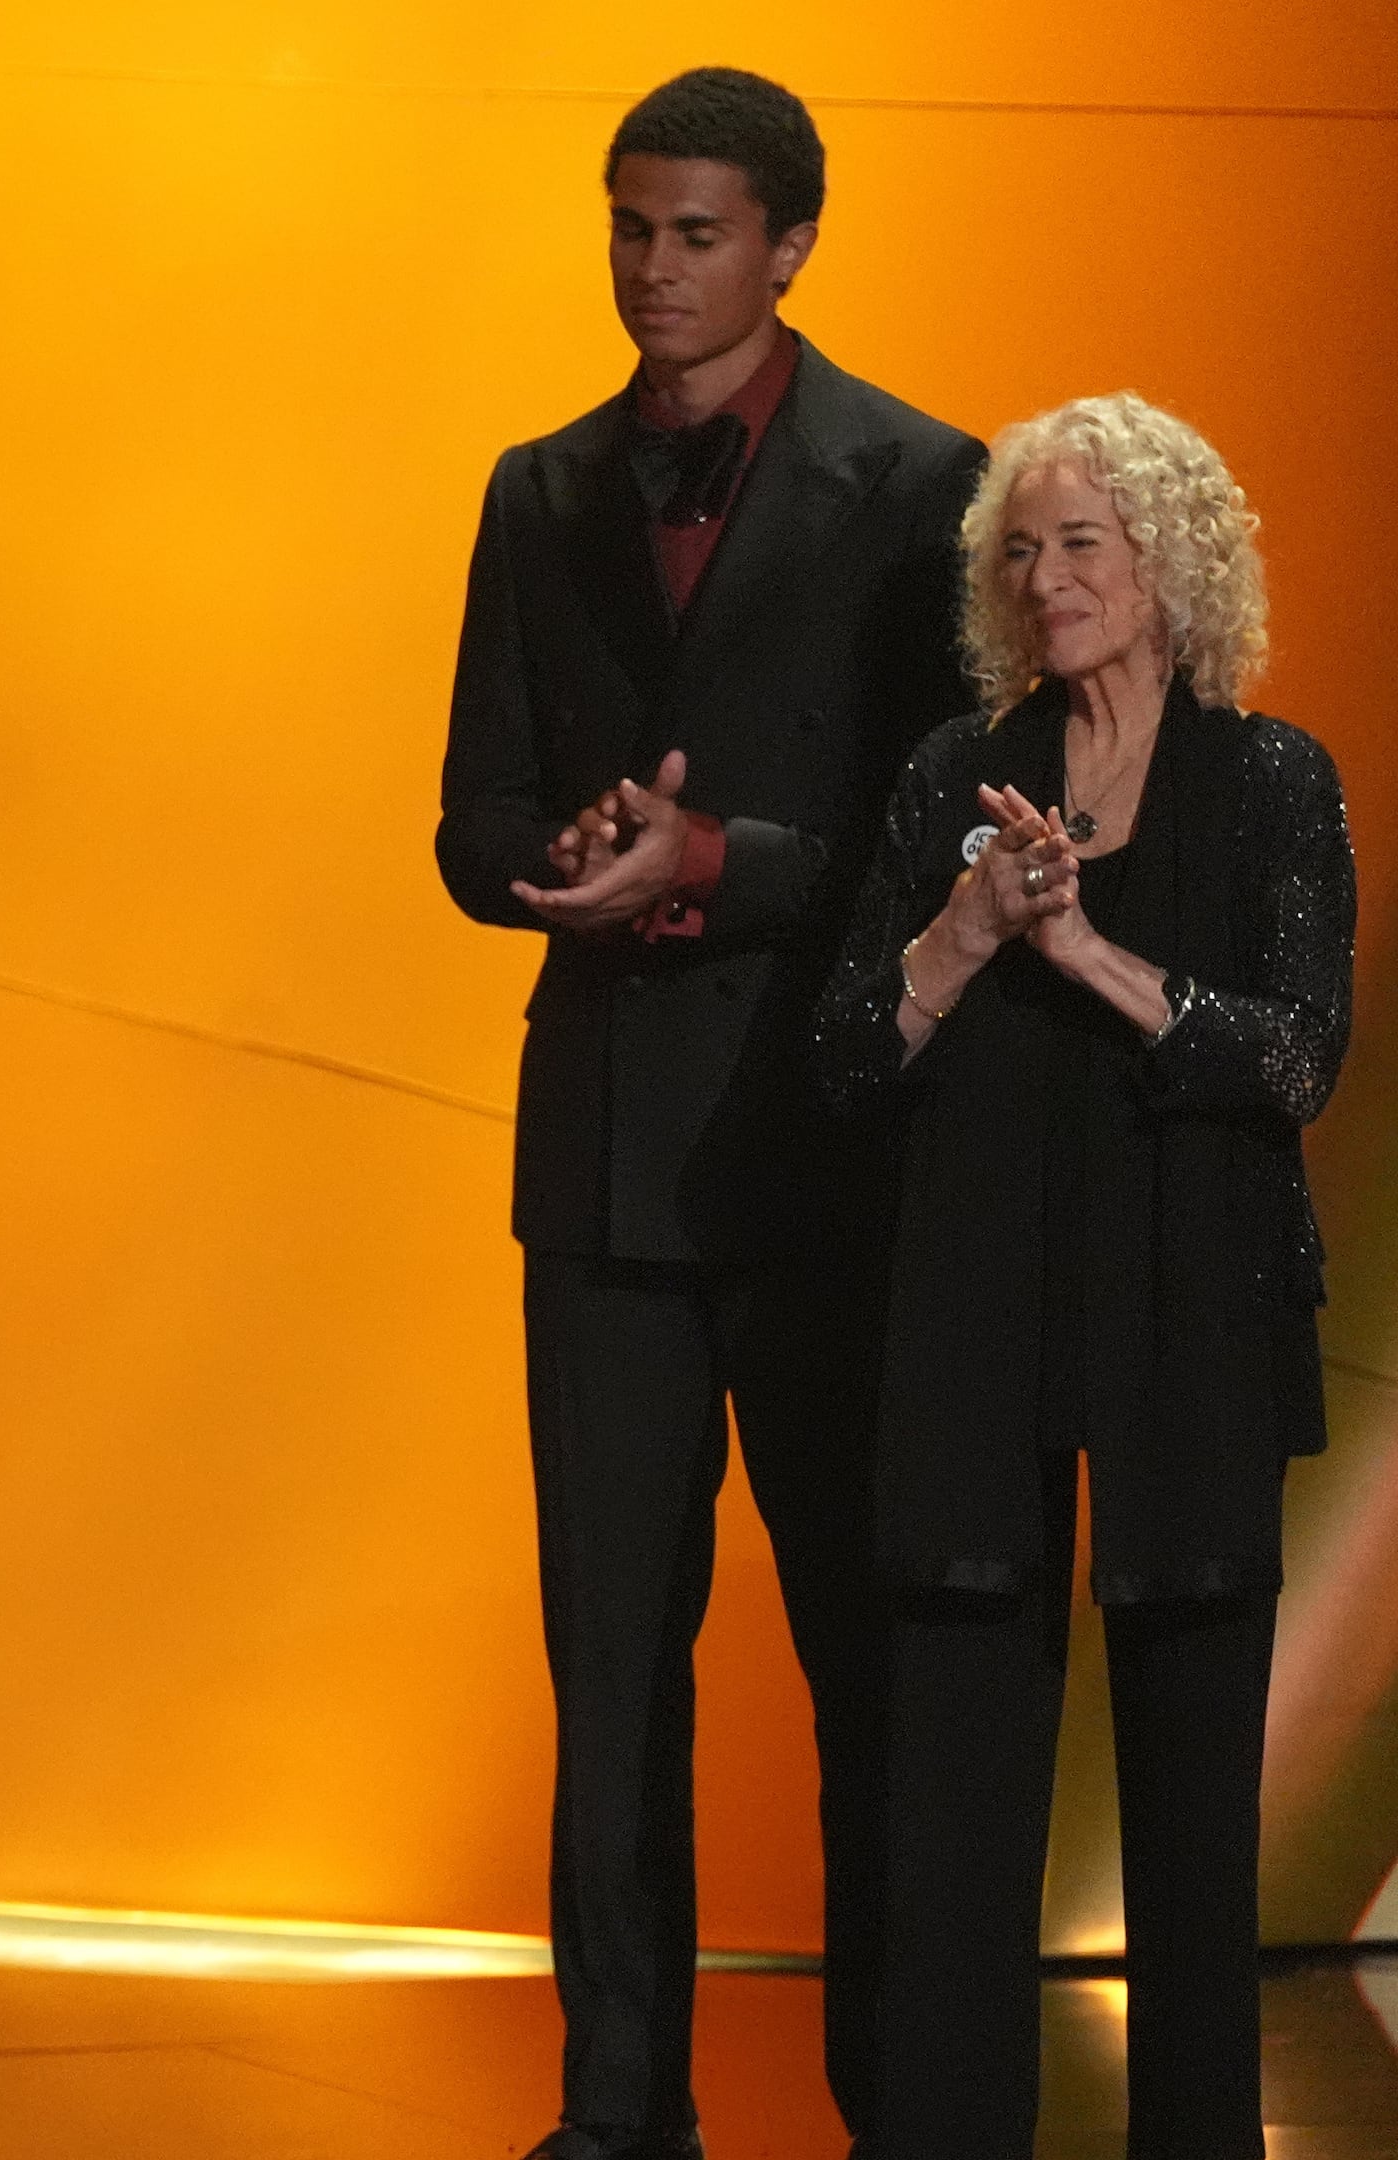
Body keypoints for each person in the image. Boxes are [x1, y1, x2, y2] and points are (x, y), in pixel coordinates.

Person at [430, 67, 990, 2160]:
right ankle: (615, 2118)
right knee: (612, 1682)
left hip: (835, 1159)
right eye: (629, 229)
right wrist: (553, 856)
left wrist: (715, 866)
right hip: (599, 1171)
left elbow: (943, 838)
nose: (655, 272)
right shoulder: (539, 486)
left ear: (790, 243)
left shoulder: (927, 484)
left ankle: (898, 2111)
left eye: (696, 234)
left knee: (866, 1664)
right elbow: (466, 810)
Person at [813, 394, 1347, 2159]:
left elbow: (1290, 1059)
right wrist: (965, 932)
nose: (1045, 580)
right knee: (951, 1821)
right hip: (973, 1330)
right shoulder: (946, 778)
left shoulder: (1273, 781)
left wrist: (1090, 952)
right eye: (1019, 551)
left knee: (1194, 1832)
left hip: (1190, 1333)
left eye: (1082, 544)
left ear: (1172, 564)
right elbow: (846, 1063)